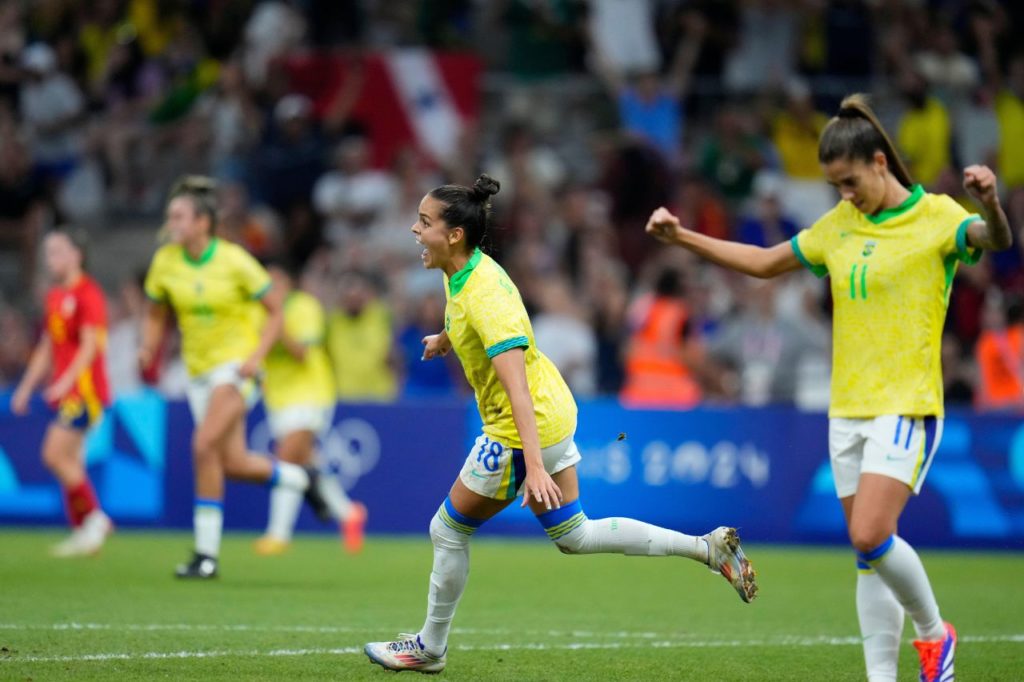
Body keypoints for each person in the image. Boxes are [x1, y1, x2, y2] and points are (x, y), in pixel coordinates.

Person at [644, 94, 1013, 682]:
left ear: (878, 163)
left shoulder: (937, 217)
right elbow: (766, 262)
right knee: (867, 555)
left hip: (907, 403)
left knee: (871, 532)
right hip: (847, 409)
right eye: (834, 185)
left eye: (848, 181)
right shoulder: (840, 225)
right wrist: (684, 238)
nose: (843, 195)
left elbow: (995, 240)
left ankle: (934, 634)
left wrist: (991, 203)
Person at [363, 175, 757, 674]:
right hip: (555, 413)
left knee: (446, 530)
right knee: (576, 535)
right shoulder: (462, 270)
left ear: (455, 234)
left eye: (424, 222)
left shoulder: (484, 294)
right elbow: (475, 323)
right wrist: (448, 337)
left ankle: (430, 648)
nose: (414, 230)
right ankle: (707, 547)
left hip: (520, 427)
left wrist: (533, 466)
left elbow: (515, 389)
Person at [139, 175, 326, 579]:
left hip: (236, 366)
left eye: (179, 216)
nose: (172, 224)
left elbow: (277, 310)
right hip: (198, 371)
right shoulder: (165, 262)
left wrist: (255, 358)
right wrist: (147, 348)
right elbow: (156, 312)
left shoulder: (234, 260)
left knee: (203, 444)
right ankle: (301, 478)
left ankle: (206, 556)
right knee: (234, 463)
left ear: (202, 222)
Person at [11, 229, 113, 557]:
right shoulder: (55, 296)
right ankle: (84, 529)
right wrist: (25, 388)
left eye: (57, 251)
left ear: (76, 255)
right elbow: (47, 347)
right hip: (66, 391)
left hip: (85, 392)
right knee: (69, 461)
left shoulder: (88, 294)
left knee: (54, 455)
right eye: (48, 252)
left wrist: (68, 380)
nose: (49, 258)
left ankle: (95, 519)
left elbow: (89, 345)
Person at [254, 261, 367, 555]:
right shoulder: (256, 313)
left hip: (310, 393)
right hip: (278, 397)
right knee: (308, 463)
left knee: (287, 460)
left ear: (290, 285)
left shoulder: (304, 307)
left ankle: (277, 535)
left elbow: (301, 353)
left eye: (277, 283)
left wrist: (276, 322)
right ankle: (348, 513)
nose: (272, 290)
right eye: (267, 284)